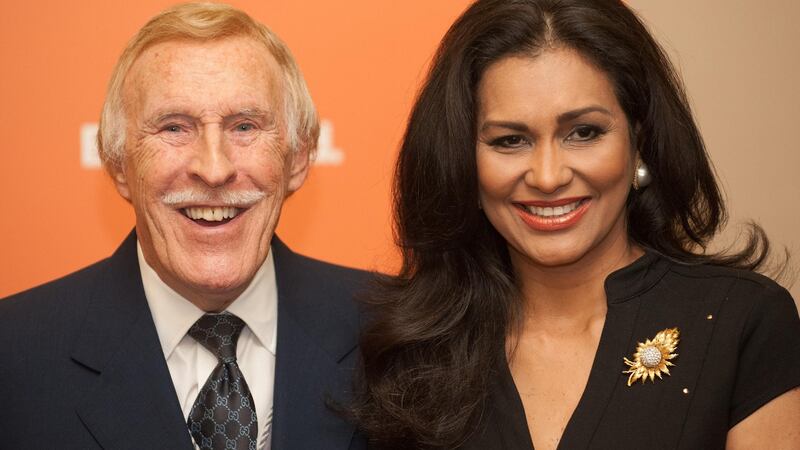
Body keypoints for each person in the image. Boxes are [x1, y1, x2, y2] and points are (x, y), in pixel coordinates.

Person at [349, 0, 800, 449]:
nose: (548, 177)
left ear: (638, 141)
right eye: (511, 140)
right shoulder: (413, 352)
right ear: (464, 162)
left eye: (583, 132)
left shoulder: (740, 322)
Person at [0, 3, 367, 449]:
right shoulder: (13, 355)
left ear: (299, 158)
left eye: (245, 126)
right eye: (174, 128)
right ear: (118, 165)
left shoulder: (400, 335)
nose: (213, 169)